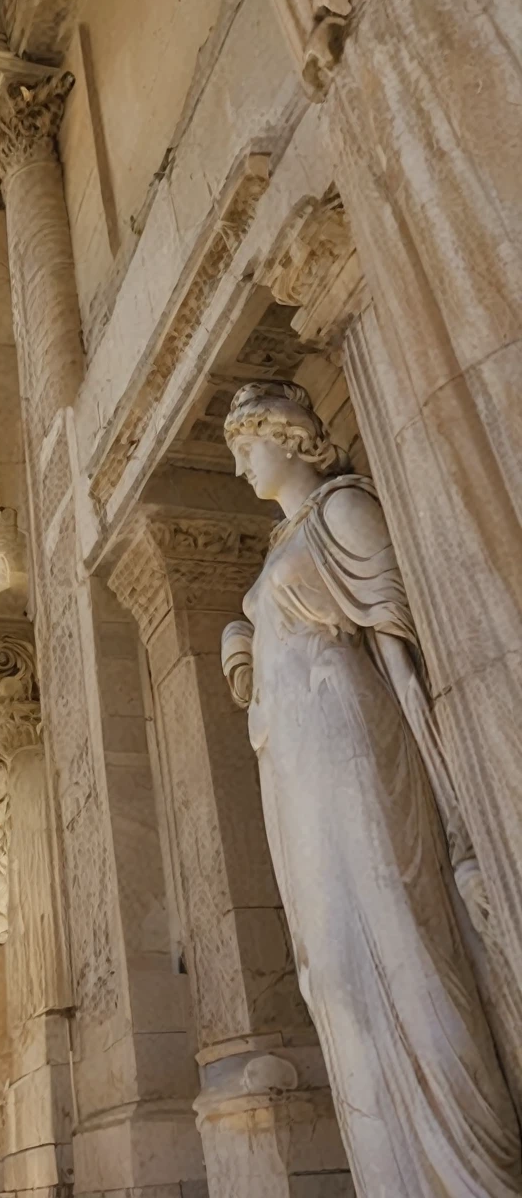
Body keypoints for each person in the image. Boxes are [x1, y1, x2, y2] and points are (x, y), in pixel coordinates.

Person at [221, 380, 521, 1196]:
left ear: (291, 435)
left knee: (401, 932)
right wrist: (244, 643)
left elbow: (402, 651)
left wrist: (453, 793)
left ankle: (469, 1169)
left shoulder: (344, 513)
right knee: (334, 971)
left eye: (248, 442)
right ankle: (393, 1171)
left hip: (353, 738)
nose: (241, 462)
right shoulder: (287, 538)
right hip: (294, 756)